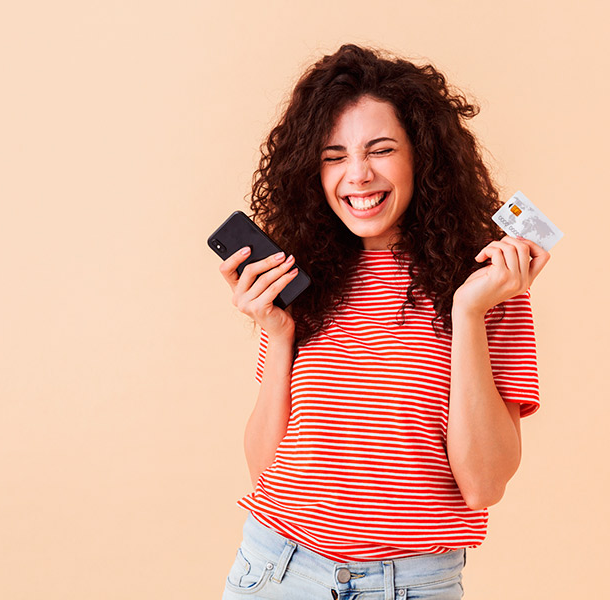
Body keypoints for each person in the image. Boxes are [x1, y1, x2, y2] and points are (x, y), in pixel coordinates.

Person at [217, 43, 550, 600]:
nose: (358, 175)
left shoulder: (489, 282)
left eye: (381, 149)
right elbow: (266, 471)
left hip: (412, 584)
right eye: (333, 155)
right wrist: (278, 335)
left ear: (422, 154)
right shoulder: (304, 277)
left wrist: (467, 313)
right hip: (276, 570)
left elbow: (484, 484)